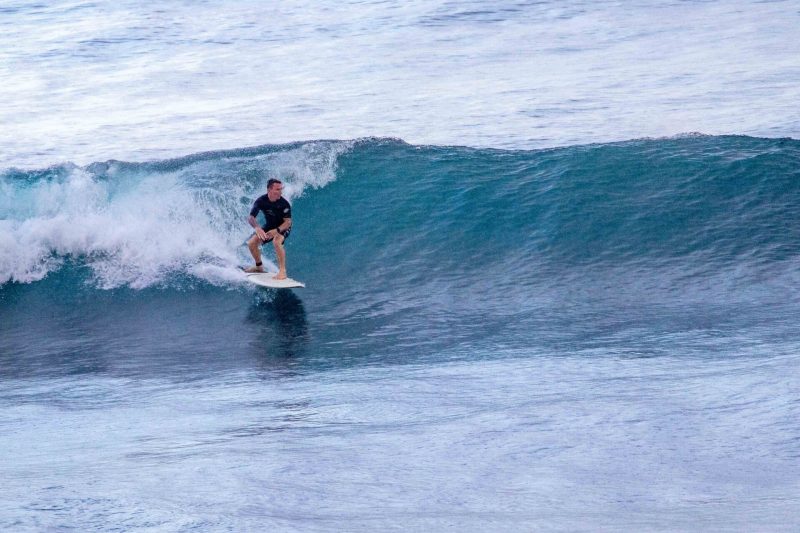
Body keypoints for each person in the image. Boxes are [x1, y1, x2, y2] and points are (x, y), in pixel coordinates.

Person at [245, 178, 292, 279]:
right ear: (269, 190)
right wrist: (257, 228)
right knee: (251, 243)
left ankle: (282, 272)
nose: (280, 192)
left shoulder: (284, 204)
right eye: (277, 189)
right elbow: (251, 217)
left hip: (282, 227)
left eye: (281, 189)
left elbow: (288, 222)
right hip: (270, 226)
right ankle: (259, 267)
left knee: (276, 241)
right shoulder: (261, 201)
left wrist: (277, 231)